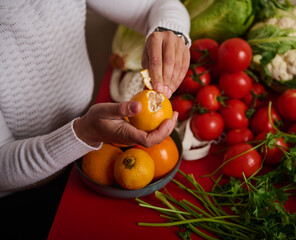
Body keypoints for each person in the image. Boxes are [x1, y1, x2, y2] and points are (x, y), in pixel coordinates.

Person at [0, 0, 190, 196]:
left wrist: (170, 33)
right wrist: (84, 133)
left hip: (85, 154)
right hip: (22, 194)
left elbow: (157, 4)